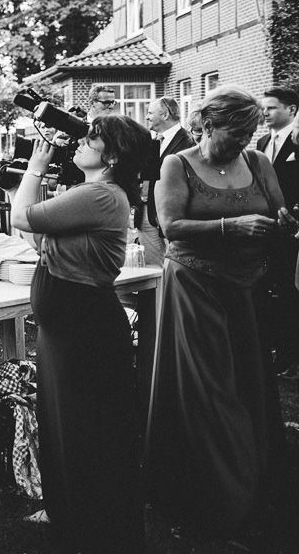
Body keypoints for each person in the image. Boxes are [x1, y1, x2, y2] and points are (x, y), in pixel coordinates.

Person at [146, 86, 289, 539]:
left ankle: (255, 479)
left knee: (247, 379)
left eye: (251, 131)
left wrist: (287, 222)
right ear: (207, 124)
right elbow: (169, 227)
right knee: (211, 387)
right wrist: (231, 225)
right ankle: (214, 490)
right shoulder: (178, 164)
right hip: (195, 285)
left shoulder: (259, 162)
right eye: (237, 131)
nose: (246, 139)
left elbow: (277, 209)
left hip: (246, 289)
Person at [12, 115, 152, 554]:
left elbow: (21, 217)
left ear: (111, 156)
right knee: (60, 422)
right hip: (64, 324)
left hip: (84, 326)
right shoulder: (88, 193)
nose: (79, 142)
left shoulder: (101, 195)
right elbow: (37, 240)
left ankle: (98, 526)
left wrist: (34, 167)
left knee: (89, 429)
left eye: (91, 138)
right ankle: (67, 511)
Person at [257, 86, 299, 379]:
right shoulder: (261, 142)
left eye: (271, 108)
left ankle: (291, 356)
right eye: (264, 108)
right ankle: (275, 348)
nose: (265, 113)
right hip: (266, 229)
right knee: (269, 289)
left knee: (289, 292)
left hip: (293, 229)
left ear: (292, 110)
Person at [139, 97, 194, 266]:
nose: (147, 117)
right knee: (152, 267)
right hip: (147, 212)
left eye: (150, 113)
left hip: (171, 214)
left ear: (164, 115)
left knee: (174, 264)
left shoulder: (187, 142)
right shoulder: (153, 140)